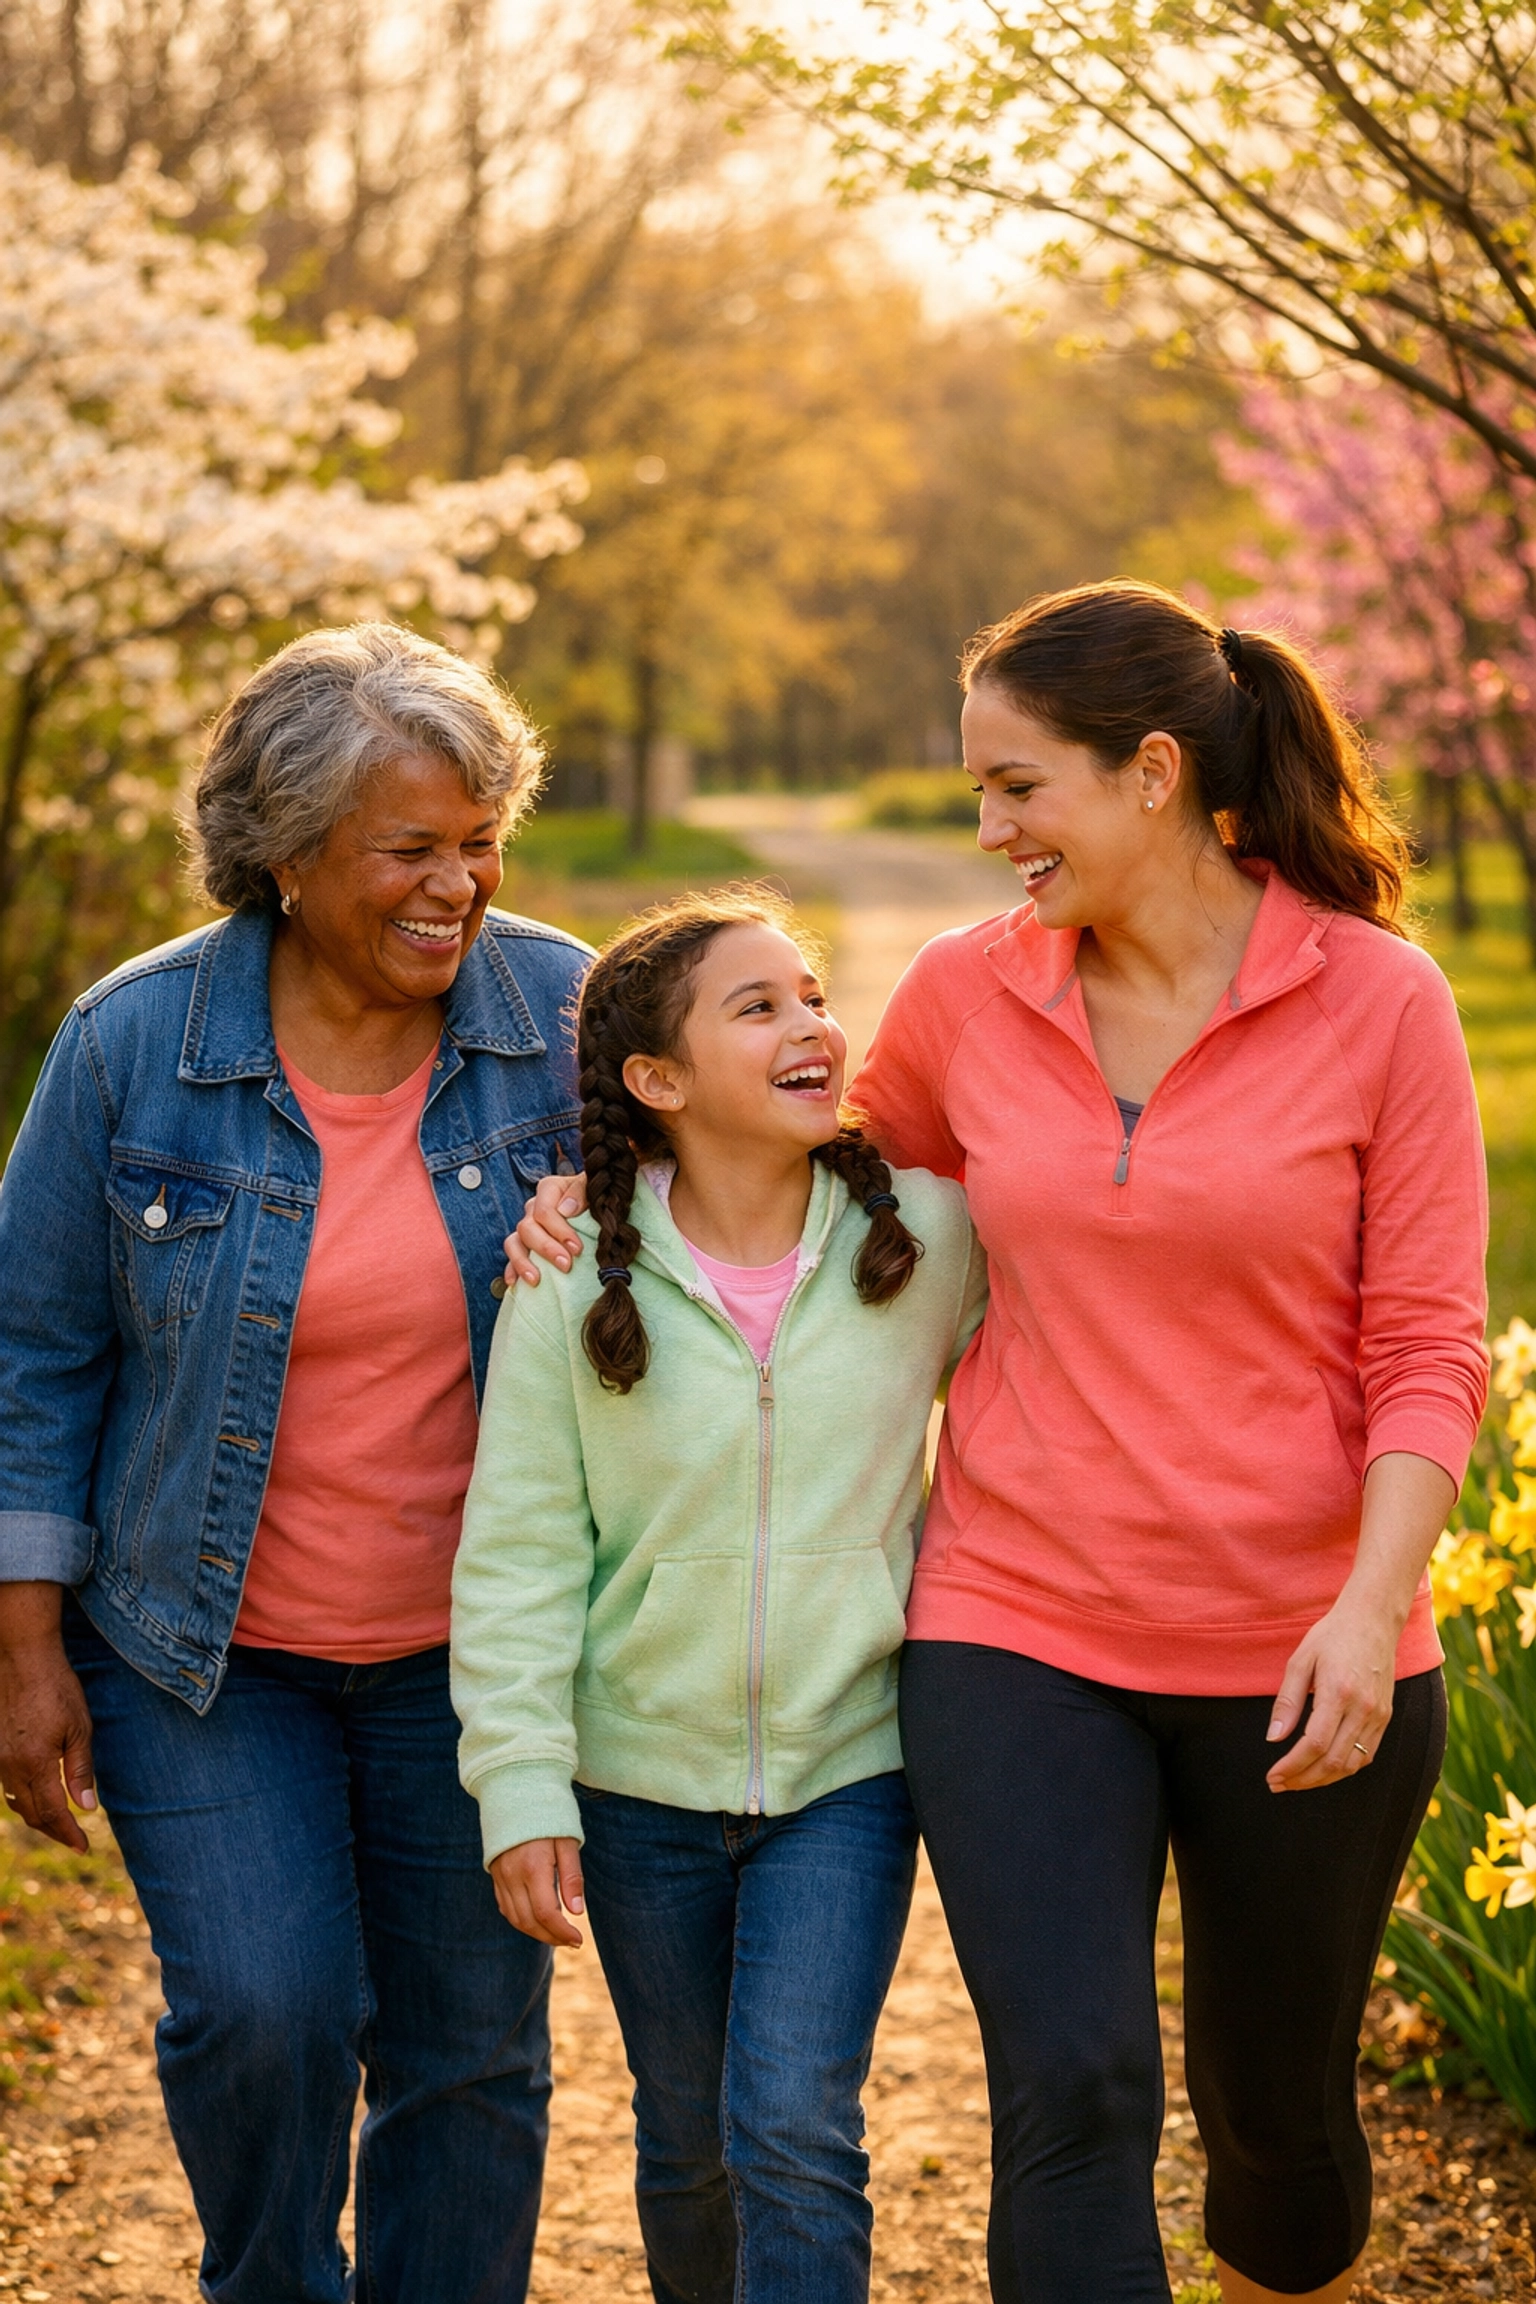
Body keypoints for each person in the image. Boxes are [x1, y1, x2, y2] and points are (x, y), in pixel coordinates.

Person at [508, 582, 1490, 2304]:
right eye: (975, 792)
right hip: (1016, 1629)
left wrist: (1368, 1601)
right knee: (1079, 2091)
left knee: (1278, 2130)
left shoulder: (1380, 1002)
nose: (988, 832)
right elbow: (801, 1168)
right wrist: (601, 1198)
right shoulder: (971, 996)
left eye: (1017, 788)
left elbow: (1423, 1344)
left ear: (1154, 774)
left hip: (1307, 1639)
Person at [0, 623, 591, 2304]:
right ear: (284, 851)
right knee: (265, 2012)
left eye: (480, 842)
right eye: (410, 849)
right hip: (203, 1650)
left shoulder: (557, 1010)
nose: (457, 886)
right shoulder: (133, 1046)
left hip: (474, 1657)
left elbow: (725, 1222)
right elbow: (32, 1350)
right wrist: (24, 1646)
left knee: (469, 2056)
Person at [452, 888, 987, 2304]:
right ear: (658, 1082)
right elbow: (516, 1556)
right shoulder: (568, 1281)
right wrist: (522, 1788)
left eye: (812, 992)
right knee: (689, 2142)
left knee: (796, 2129)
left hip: (849, 1772)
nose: (813, 1023)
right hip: (638, 1790)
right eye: (758, 1007)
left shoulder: (928, 1241)